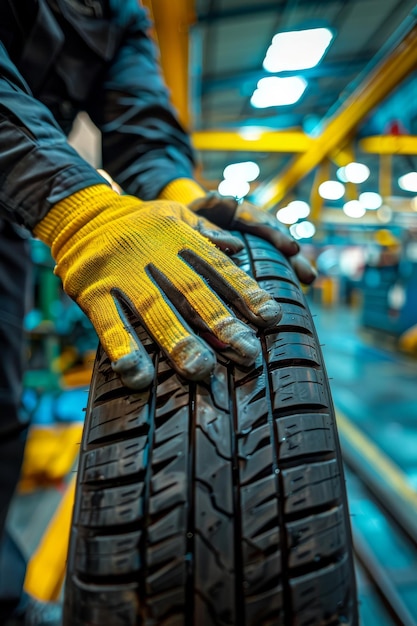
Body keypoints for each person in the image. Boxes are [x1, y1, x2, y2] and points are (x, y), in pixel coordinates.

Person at [0, 0, 316, 623]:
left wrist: (178, 193)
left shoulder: (120, 13)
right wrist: (78, 206)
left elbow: (141, 123)